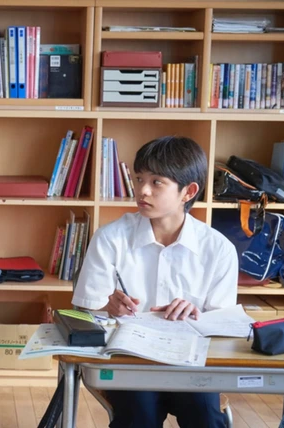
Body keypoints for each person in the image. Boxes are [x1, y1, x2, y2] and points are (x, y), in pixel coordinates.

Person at [72, 136, 238, 428]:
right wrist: (105, 306)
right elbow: (83, 314)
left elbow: (225, 328)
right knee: (139, 416)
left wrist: (196, 314)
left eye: (156, 182)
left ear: (188, 192)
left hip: (190, 363)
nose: (142, 190)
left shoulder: (218, 249)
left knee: (205, 415)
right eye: (139, 179)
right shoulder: (111, 238)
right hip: (130, 362)